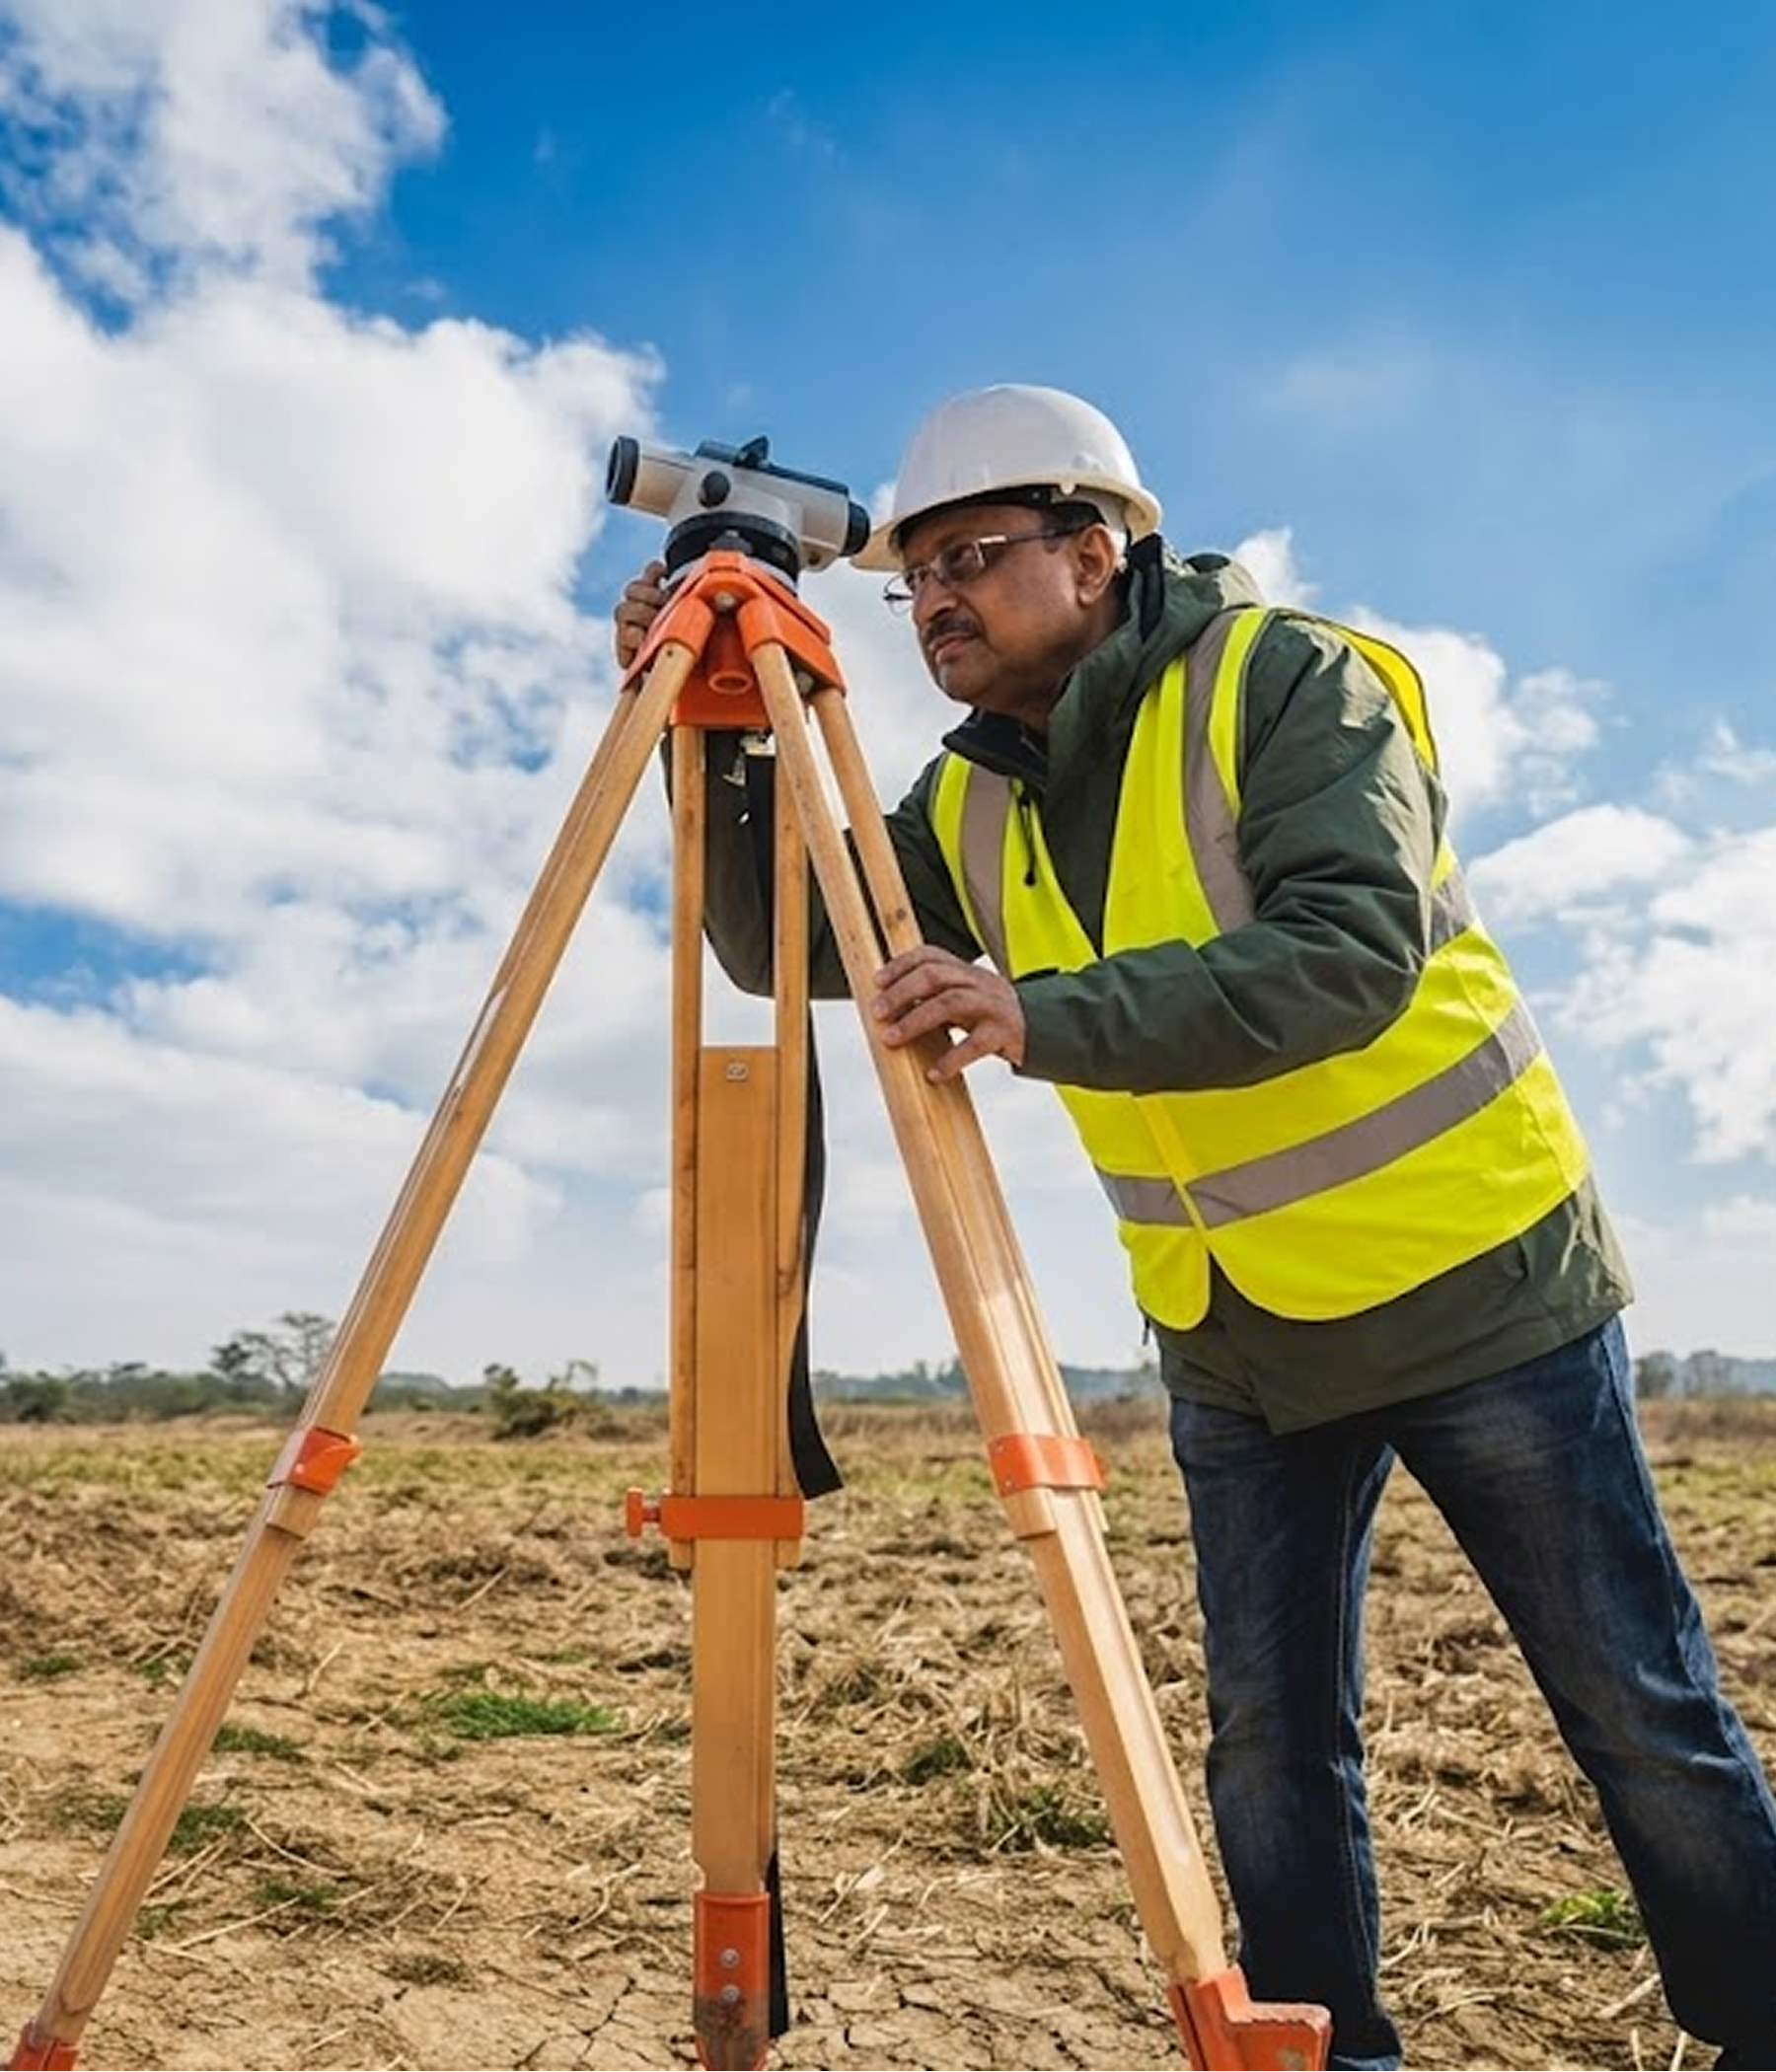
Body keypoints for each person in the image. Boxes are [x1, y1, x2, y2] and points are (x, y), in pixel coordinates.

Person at [613, 383, 1776, 2070]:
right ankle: (1329, 2050)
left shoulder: (1291, 681)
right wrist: (693, 729)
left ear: (1099, 552)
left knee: (1639, 1718)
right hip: (1235, 1337)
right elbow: (774, 942)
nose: (933, 598)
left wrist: (1044, 1011)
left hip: (1478, 1292)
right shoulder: (965, 803)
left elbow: (1350, 949)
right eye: (911, 577)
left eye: (974, 558)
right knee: (1267, 1745)